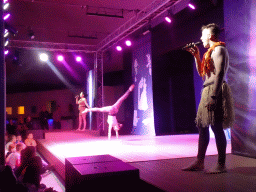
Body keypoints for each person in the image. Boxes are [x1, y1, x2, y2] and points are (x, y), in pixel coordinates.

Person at [182, 23, 234, 174]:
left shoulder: (219, 49)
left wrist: (213, 96)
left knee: (216, 126)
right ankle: (200, 161)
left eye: (202, 35)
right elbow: (202, 73)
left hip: (214, 91)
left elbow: (219, 75)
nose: (200, 38)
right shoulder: (208, 52)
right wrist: (196, 56)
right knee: (202, 126)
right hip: (207, 90)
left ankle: (221, 164)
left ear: (210, 36)